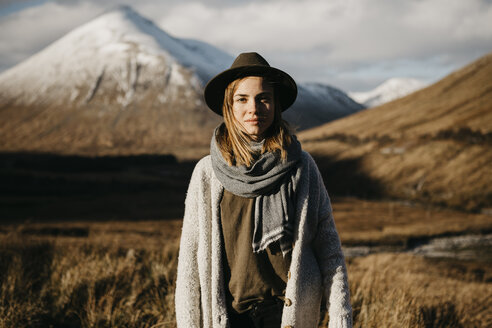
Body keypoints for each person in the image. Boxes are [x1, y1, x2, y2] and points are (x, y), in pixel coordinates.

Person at [175, 52, 352, 328]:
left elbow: (329, 249)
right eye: (242, 99)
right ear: (229, 106)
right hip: (231, 317)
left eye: (263, 98)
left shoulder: (301, 166)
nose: (254, 108)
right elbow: (189, 263)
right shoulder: (207, 173)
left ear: (275, 104)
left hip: (287, 315)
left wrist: (341, 320)